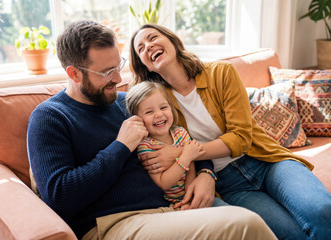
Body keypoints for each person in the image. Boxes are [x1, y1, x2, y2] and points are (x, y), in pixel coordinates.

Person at [27, 20, 278, 240]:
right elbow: (59, 196)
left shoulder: (128, 103)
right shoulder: (50, 118)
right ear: (74, 73)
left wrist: (205, 174)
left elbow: (181, 138)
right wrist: (121, 146)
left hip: (169, 211)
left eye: (118, 66)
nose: (117, 78)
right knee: (245, 224)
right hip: (116, 223)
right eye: (106, 72)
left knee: (256, 221)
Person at [129, 24, 331, 240]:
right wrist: (205, 172)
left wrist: (180, 153)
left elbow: (242, 137)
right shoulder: (159, 105)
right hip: (227, 183)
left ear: (172, 41)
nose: (148, 46)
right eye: (140, 48)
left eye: (153, 38)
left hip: (266, 161)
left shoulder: (221, 72)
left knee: (322, 210)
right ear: (144, 65)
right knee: (291, 234)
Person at [126, 81, 206, 208]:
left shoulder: (181, 133)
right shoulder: (146, 147)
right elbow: (162, 183)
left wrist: (188, 197)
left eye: (163, 107)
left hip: (191, 194)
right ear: (137, 119)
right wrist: (185, 155)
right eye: (149, 112)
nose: (158, 114)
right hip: (169, 205)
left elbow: (191, 165)